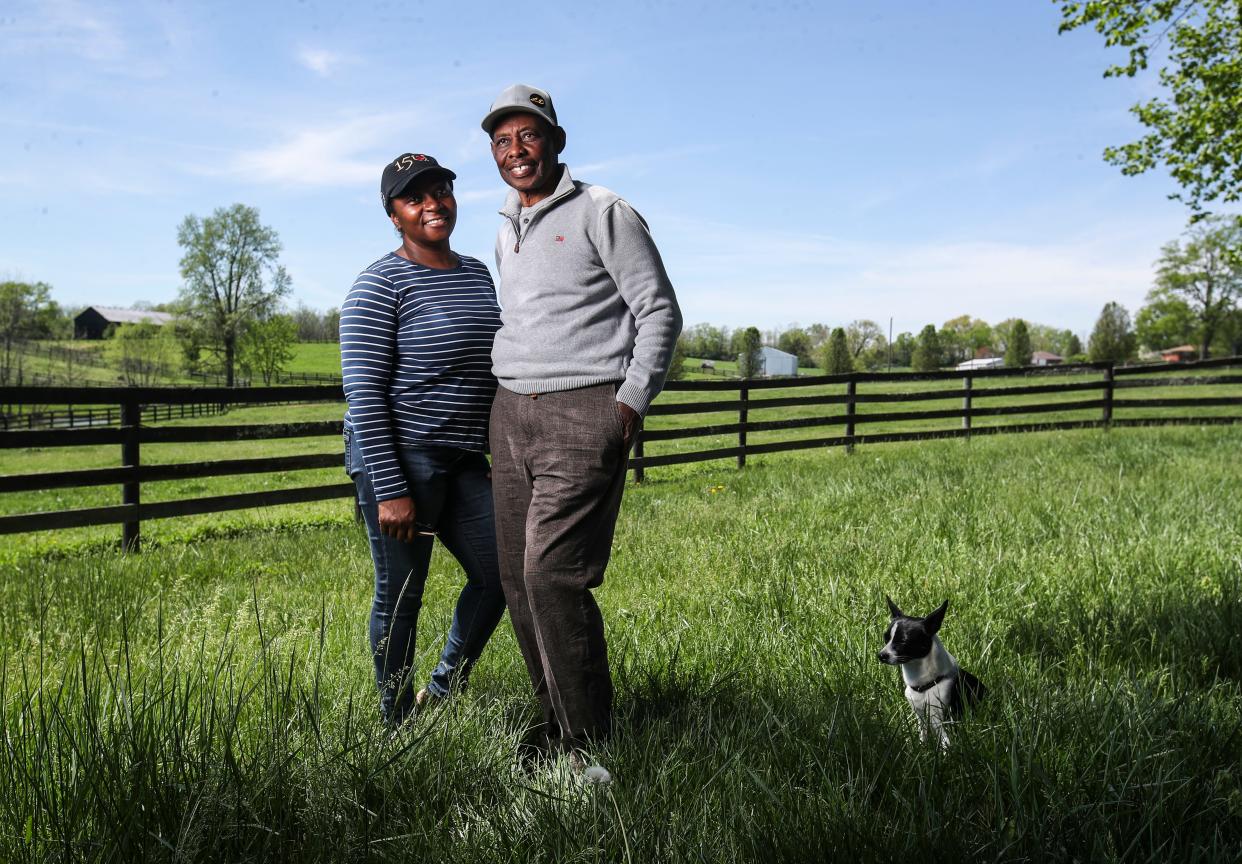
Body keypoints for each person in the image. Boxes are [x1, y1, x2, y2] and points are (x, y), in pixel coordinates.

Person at [482, 84, 683, 768]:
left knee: (551, 575)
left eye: (528, 136)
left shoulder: (605, 211)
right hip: (509, 412)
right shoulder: (505, 225)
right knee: (514, 576)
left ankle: (588, 743)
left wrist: (627, 405)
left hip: (584, 406)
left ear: (556, 141)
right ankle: (555, 720)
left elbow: (658, 312)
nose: (517, 152)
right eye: (503, 142)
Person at [340, 152, 507, 724]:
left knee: (501, 573)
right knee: (402, 594)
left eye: (441, 192)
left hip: (462, 462)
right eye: (416, 198)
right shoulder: (378, 285)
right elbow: (363, 397)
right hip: (401, 459)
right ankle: (395, 723)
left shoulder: (477, 274)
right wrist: (390, 489)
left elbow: (489, 370)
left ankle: (440, 691)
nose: (433, 205)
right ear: (394, 215)